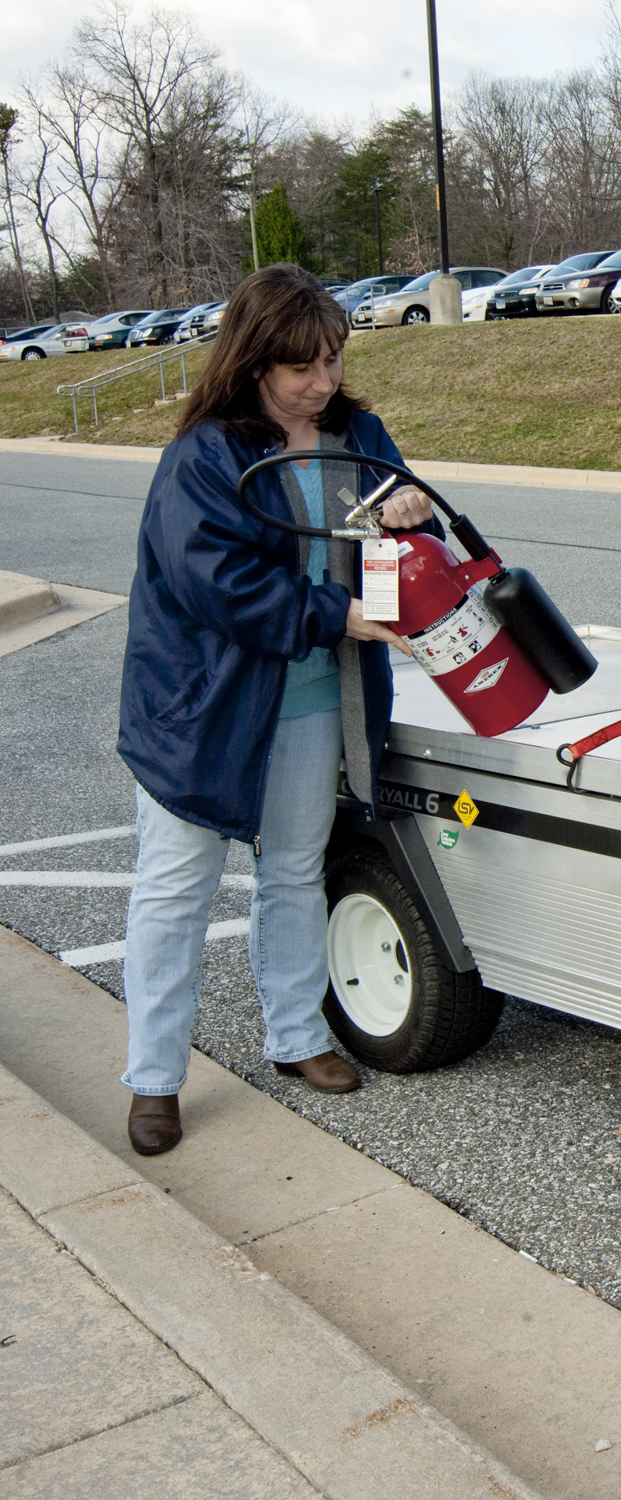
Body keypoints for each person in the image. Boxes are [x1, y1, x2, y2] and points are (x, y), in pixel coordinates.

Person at [116, 264, 441, 1155]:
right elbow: (218, 585)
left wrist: (415, 513)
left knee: (295, 869)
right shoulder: (207, 453)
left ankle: (297, 1034)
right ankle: (154, 1078)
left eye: (333, 359)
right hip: (203, 709)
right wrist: (334, 613)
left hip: (310, 701)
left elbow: (418, 538)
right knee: (175, 893)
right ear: (256, 359)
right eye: (303, 366)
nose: (323, 382)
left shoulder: (356, 433)